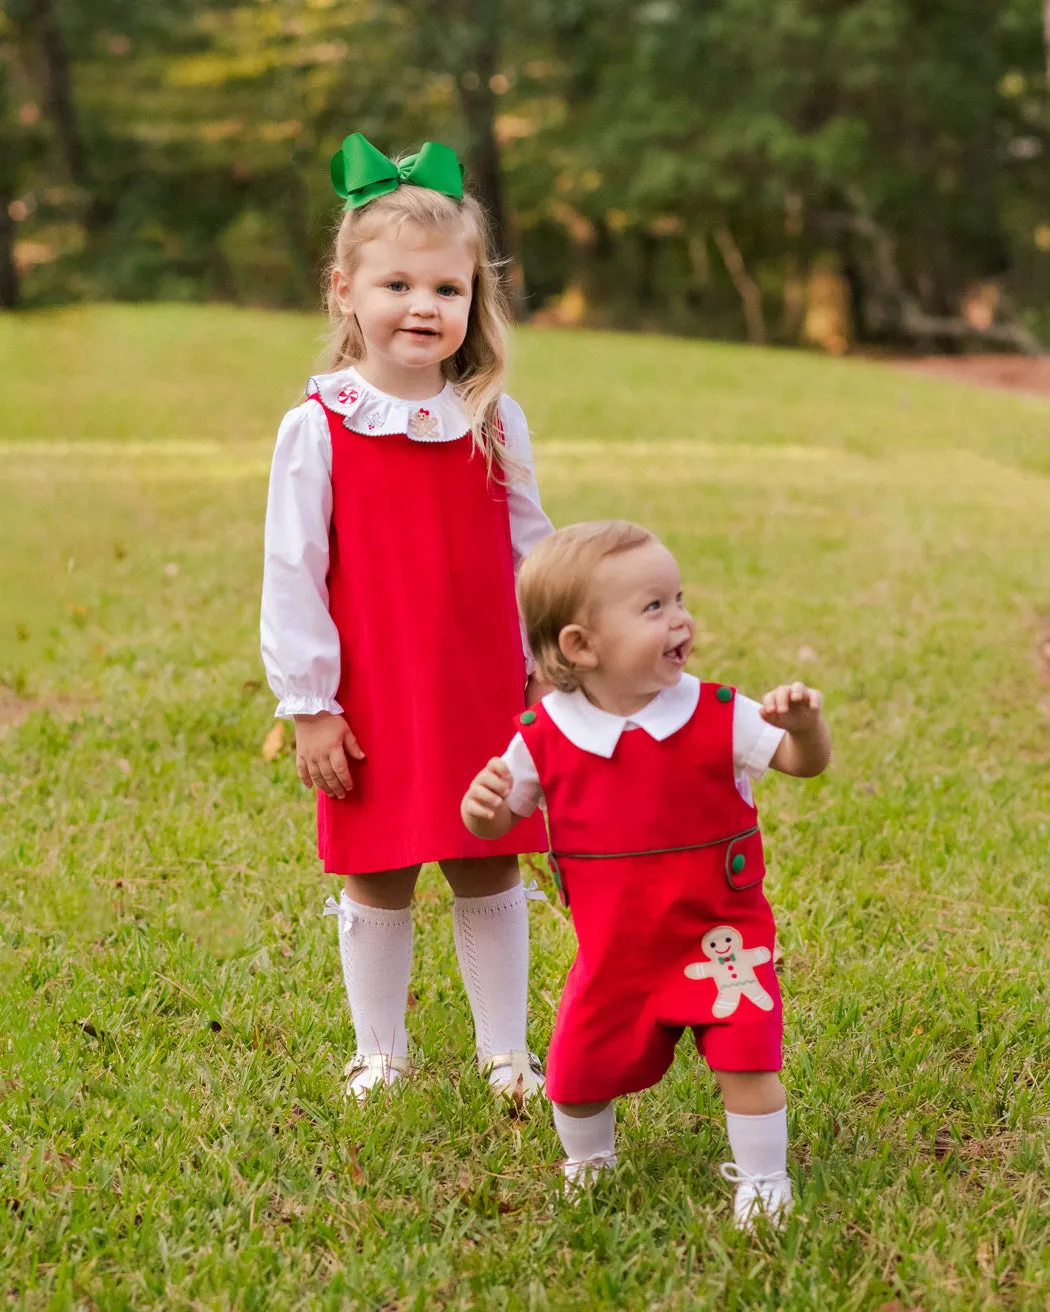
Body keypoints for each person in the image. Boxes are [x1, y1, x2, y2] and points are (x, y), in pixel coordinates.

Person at [262, 133, 553, 1105]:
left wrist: (550, 663)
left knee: (487, 860)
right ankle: (381, 1049)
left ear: (474, 299)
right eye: (397, 285)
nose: (424, 307)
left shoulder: (490, 417)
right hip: (373, 689)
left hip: (481, 686)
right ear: (344, 289)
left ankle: (505, 1049)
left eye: (447, 289)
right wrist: (309, 703)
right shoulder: (322, 424)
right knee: (379, 868)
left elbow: (531, 548)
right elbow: (293, 571)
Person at [461, 521, 831, 1226]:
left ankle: (762, 1177)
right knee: (574, 1072)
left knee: (748, 1057)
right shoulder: (546, 735)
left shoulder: (718, 713)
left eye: (679, 598)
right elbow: (500, 818)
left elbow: (801, 763)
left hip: (719, 939)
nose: (680, 619)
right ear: (581, 645)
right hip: (616, 952)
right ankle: (588, 1160)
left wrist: (807, 727)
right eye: (653, 607)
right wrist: (480, 810)